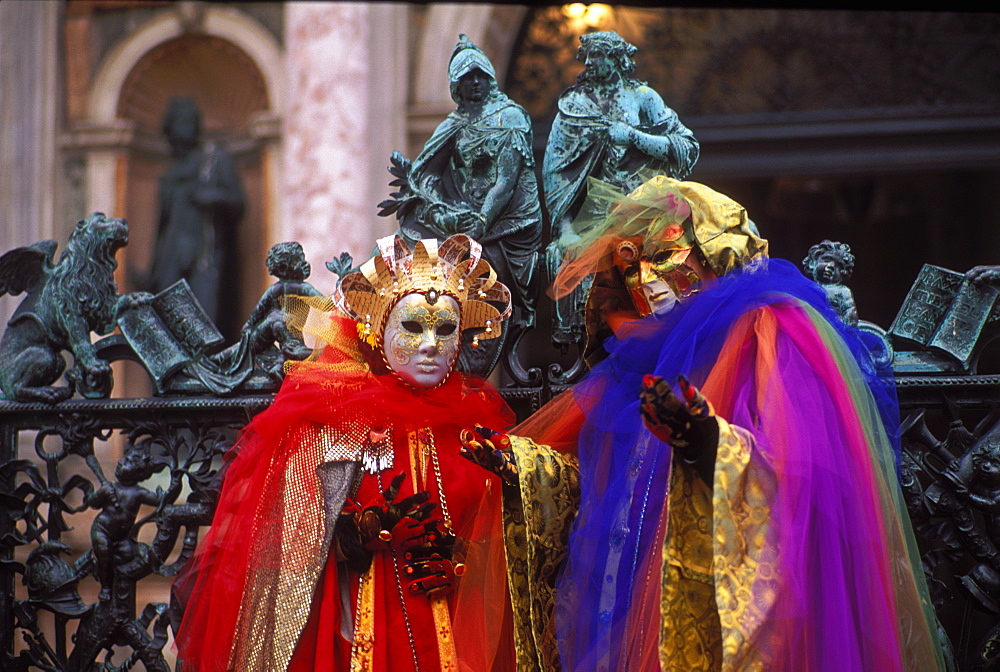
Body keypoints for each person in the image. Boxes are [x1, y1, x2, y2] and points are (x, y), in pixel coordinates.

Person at [466, 175, 944, 671]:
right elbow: (596, 485)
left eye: (666, 253)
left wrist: (710, 444)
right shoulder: (630, 366)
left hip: (733, 605)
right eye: (633, 262)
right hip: (631, 597)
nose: (647, 278)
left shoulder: (769, 331)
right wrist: (519, 468)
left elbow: (805, 476)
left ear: (712, 252)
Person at [174, 234, 518, 671]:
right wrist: (357, 533)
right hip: (359, 627)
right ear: (377, 330)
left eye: (445, 327)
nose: (431, 344)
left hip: (453, 626)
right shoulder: (337, 416)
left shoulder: (474, 430)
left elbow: (504, 537)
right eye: (413, 326)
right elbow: (285, 543)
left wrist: (465, 566)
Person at [544, 31, 700, 346]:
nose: (589, 62)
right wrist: (564, 228)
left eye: (598, 55)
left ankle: (670, 340)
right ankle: (591, 343)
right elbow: (555, 171)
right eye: (587, 56)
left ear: (616, 58)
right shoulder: (574, 106)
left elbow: (685, 145)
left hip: (648, 210)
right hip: (594, 216)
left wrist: (634, 136)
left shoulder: (644, 97)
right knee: (577, 263)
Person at [383, 35, 542, 344]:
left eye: (480, 76)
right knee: (408, 246)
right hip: (465, 215)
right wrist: (437, 205)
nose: (475, 84)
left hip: (507, 222)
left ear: (490, 78)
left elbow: (506, 182)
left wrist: (481, 222)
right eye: (466, 79)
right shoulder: (454, 123)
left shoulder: (510, 118)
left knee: (456, 256)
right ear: (456, 86)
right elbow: (424, 174)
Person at [147, 98, 245, 338]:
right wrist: (153, 273)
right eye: (179, 122)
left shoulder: (213, 162)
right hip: (171, 262)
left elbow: (238, 204)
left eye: (189, 121)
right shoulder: (169, 177)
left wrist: (212, 197)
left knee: (204, 327)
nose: (185, 128)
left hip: (205, 260)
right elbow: (162, 229)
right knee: (167, 331)